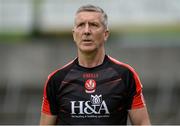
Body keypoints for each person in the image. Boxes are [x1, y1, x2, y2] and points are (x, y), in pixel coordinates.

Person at [40, 4, 151, 125]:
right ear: (74, 34)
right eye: (81, 25)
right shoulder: (56, 80)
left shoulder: (126, 75)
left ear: (105, 34)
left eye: (93, 25)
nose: (86, 31)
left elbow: (142, 124)